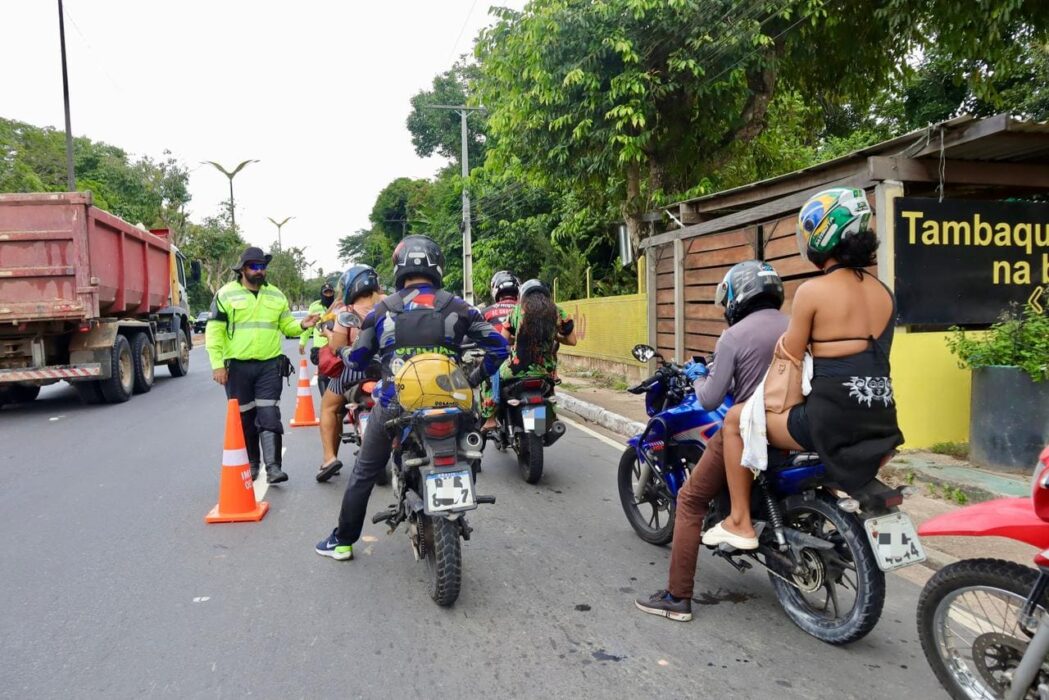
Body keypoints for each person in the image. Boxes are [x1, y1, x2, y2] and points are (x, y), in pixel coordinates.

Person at [703, 187, 904, 551]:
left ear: (823, 233)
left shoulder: (813, 291)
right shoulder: (884, 293)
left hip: (829, 421)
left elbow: (790, 355)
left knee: (734, 420)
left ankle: (740, 521)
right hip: (882, 419)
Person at [315, 235, 509, 561]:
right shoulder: (459, 306)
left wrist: (345, 352)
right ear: (437, 267)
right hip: (452, 399)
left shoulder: (383, 310)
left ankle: (343, 542)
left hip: (396, 402)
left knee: (364, 471)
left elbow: (358, 360)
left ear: (399, 268)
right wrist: (472, 379)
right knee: (469, 449)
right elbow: (499, 348)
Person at [634, 260, 788, 622]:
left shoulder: (733, 336)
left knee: (690, 500)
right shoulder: (793, 325)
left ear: (738, 296)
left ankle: (677, 598)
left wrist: (699, 376)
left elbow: (709, 399)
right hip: (790, 425)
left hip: (750, 427)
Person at [206, 246, 319, 484]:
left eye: (263, 266)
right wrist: (217, 365)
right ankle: (252, 464)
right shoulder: (225, 294)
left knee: (269, 414)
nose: (259, 271)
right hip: (237, 367)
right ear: (242, 269)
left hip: (269, 365)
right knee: (245, 418)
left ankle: (274, 467)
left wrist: (302, 325)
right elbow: (214, 332)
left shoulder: (276, 295)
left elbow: (286, 326)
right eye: (254, 266)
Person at [315, 265, 384, 483]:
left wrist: (328, 333)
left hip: (353, 371)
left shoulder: (347, 312)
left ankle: (329, 458)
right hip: (387, 370)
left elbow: (337, 346)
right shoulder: (391, 304)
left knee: (329, 407)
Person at [480, 279, 576, 432]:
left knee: (490, 373)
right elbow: (572, 341)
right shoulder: (557, 312)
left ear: (523, 295)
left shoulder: (516, 311)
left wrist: (517, 337)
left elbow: (502, 342)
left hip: (516, 370)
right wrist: (553, 335)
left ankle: (490, 419)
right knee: (550, 384)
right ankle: (552, 416)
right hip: (545, 371)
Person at [299, 282, 337, 396]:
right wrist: (302, 342)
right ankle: (325, 399)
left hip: (337, 345)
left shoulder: (339, 305)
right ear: (321, 294)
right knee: (323, 375)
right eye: (326, 293)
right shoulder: (315, 307)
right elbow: (309, 326)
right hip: (321, 348)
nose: (328, 295)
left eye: (330, 292)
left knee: (338, 374)